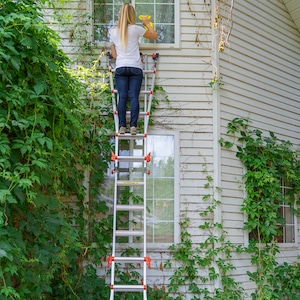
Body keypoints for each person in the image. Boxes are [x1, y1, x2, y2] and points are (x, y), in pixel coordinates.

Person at [109, 3, 157, 135]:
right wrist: (146, 23)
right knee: (134, 97)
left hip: (121, 67)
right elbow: (154, 35)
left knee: (122, 97)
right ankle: (133, 127)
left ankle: (122, 126)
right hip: (135, 67)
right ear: (132, 15)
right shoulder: (136, 29)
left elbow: (114, 55)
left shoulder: (113, 31)